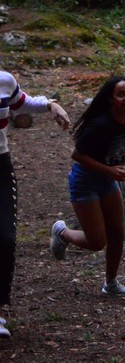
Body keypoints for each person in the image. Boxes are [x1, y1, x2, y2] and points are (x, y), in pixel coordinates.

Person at [49, 77, 125, 297]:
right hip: (85, 183)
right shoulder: (100, 125)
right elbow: (77, 155)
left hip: (107, 182)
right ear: (111, 99)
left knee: (117, 233)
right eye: (121, 94)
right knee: (96, 242)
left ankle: (110, 283)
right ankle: (62, 232)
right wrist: (109, 170)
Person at [0, 74, 69, 340]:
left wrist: (50, 104)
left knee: (5, 237)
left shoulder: (5, 81)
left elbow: (22, 102)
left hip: (0, 166)